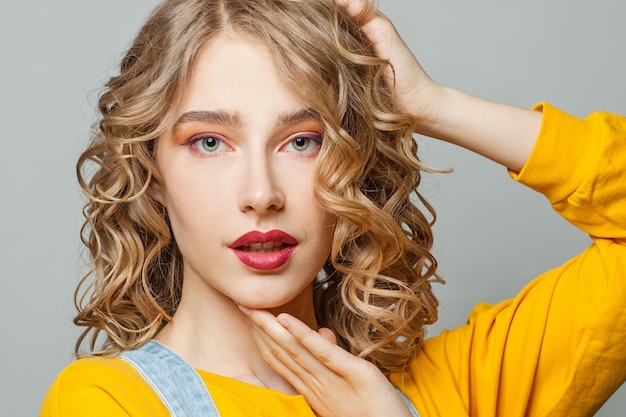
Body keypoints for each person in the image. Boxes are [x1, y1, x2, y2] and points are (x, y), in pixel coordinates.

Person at [40, 0, 626, 415]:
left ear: (351, 165)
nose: (261, 193)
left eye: (302, 141)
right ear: (154, 174)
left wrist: (433, 105)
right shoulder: (107, 403)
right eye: (209, 142)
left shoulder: (463, 384)